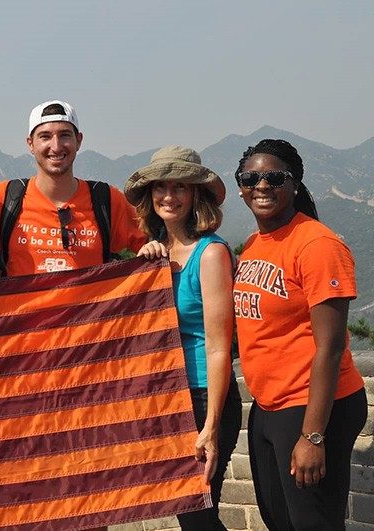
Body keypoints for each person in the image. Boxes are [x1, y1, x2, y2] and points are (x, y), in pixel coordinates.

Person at [233, 139, 366, 530]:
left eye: (274, 177)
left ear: (294, 184)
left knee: (314, 523)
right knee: (279, 520)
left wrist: (313, 436)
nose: (261, 185)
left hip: (313, 406)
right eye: (250, 178)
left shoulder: (317, 244)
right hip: (269, 405)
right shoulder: (256, 244)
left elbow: (331, 346)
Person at [125, 146, 242, 530]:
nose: (169, 196)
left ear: (196, 195)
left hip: (204, 396)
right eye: (161, 186)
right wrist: (146, 267)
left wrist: (210, 427)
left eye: (180, 187)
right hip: (169, 394)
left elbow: (219, 345)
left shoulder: (210, 254)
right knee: (190, 511)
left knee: (199, 515)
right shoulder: (158, 252)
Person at [0, 100, 146, 275]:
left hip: (88, 304)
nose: (56, 146)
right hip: (23, 304)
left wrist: (151, 248)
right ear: (30, 143)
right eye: (45, 136)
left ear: (79, 140)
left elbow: (154, 241)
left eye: (64, 135)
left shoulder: (106, 200)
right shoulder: (1, 198)